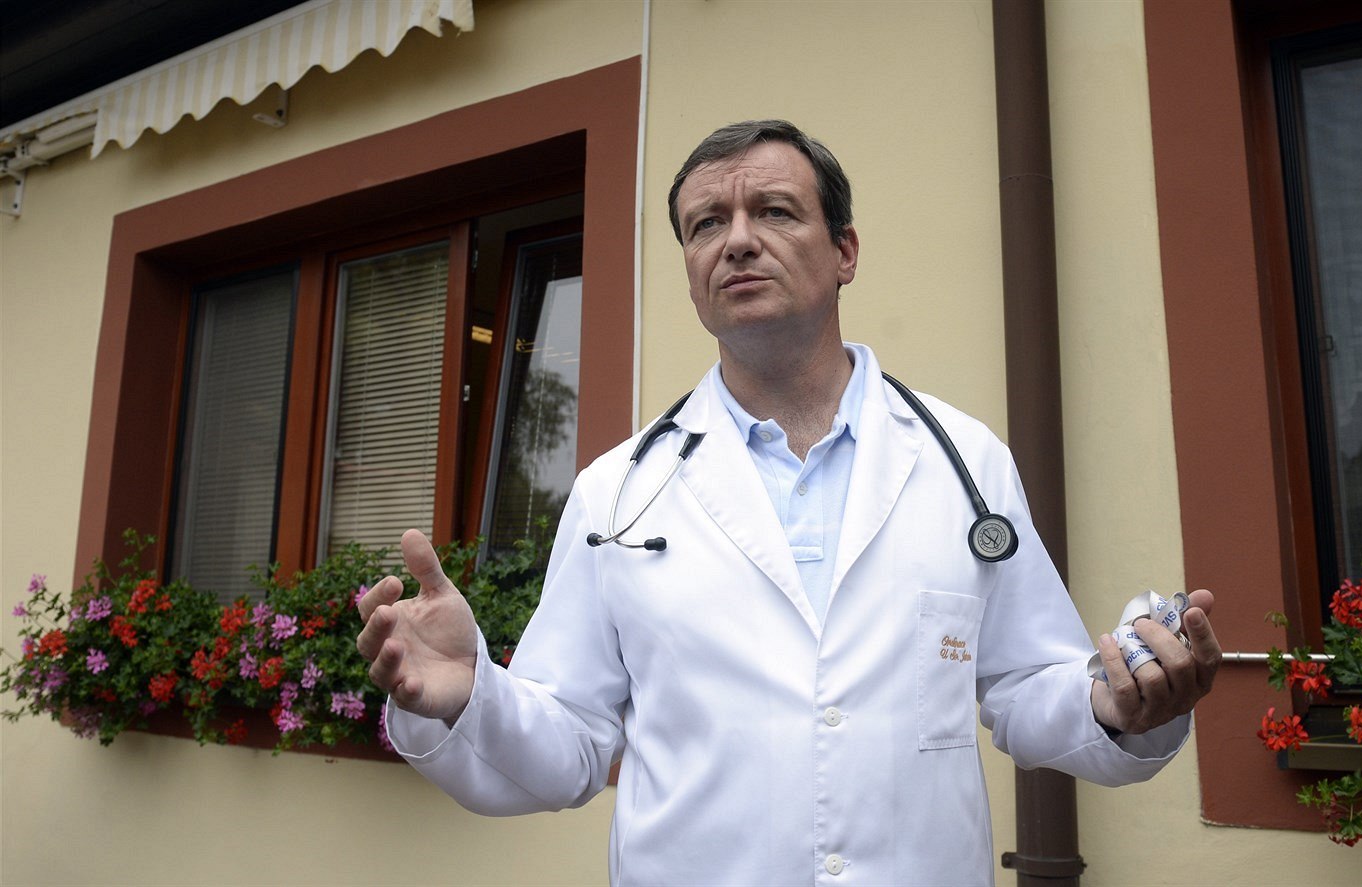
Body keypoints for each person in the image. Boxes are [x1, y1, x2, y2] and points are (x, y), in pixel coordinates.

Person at [357, 120, 1222, 886]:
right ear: (691, 274)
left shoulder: (966, 462)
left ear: (845, 252)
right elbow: (572, 740)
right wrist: (472, 695)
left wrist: (1118, 705)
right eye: (707, 224)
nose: (737, 241)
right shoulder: (615, 493)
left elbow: (1029, 686)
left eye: (773, 211)